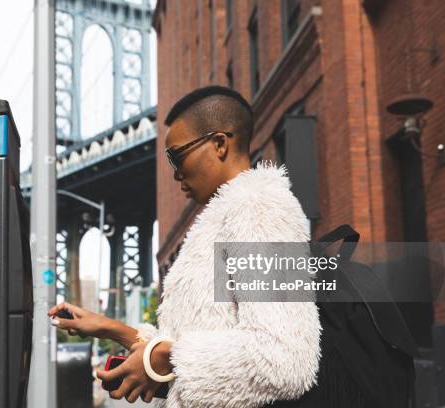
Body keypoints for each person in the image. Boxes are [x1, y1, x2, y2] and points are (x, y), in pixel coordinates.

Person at [48, 85, 321, 407]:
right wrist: (112, 329)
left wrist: (159, 359)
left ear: (219, 144)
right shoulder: (222, 218)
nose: (175, 172)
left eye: (176, 155)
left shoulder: (260, 207)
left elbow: (284, 359)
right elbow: (202, 337)